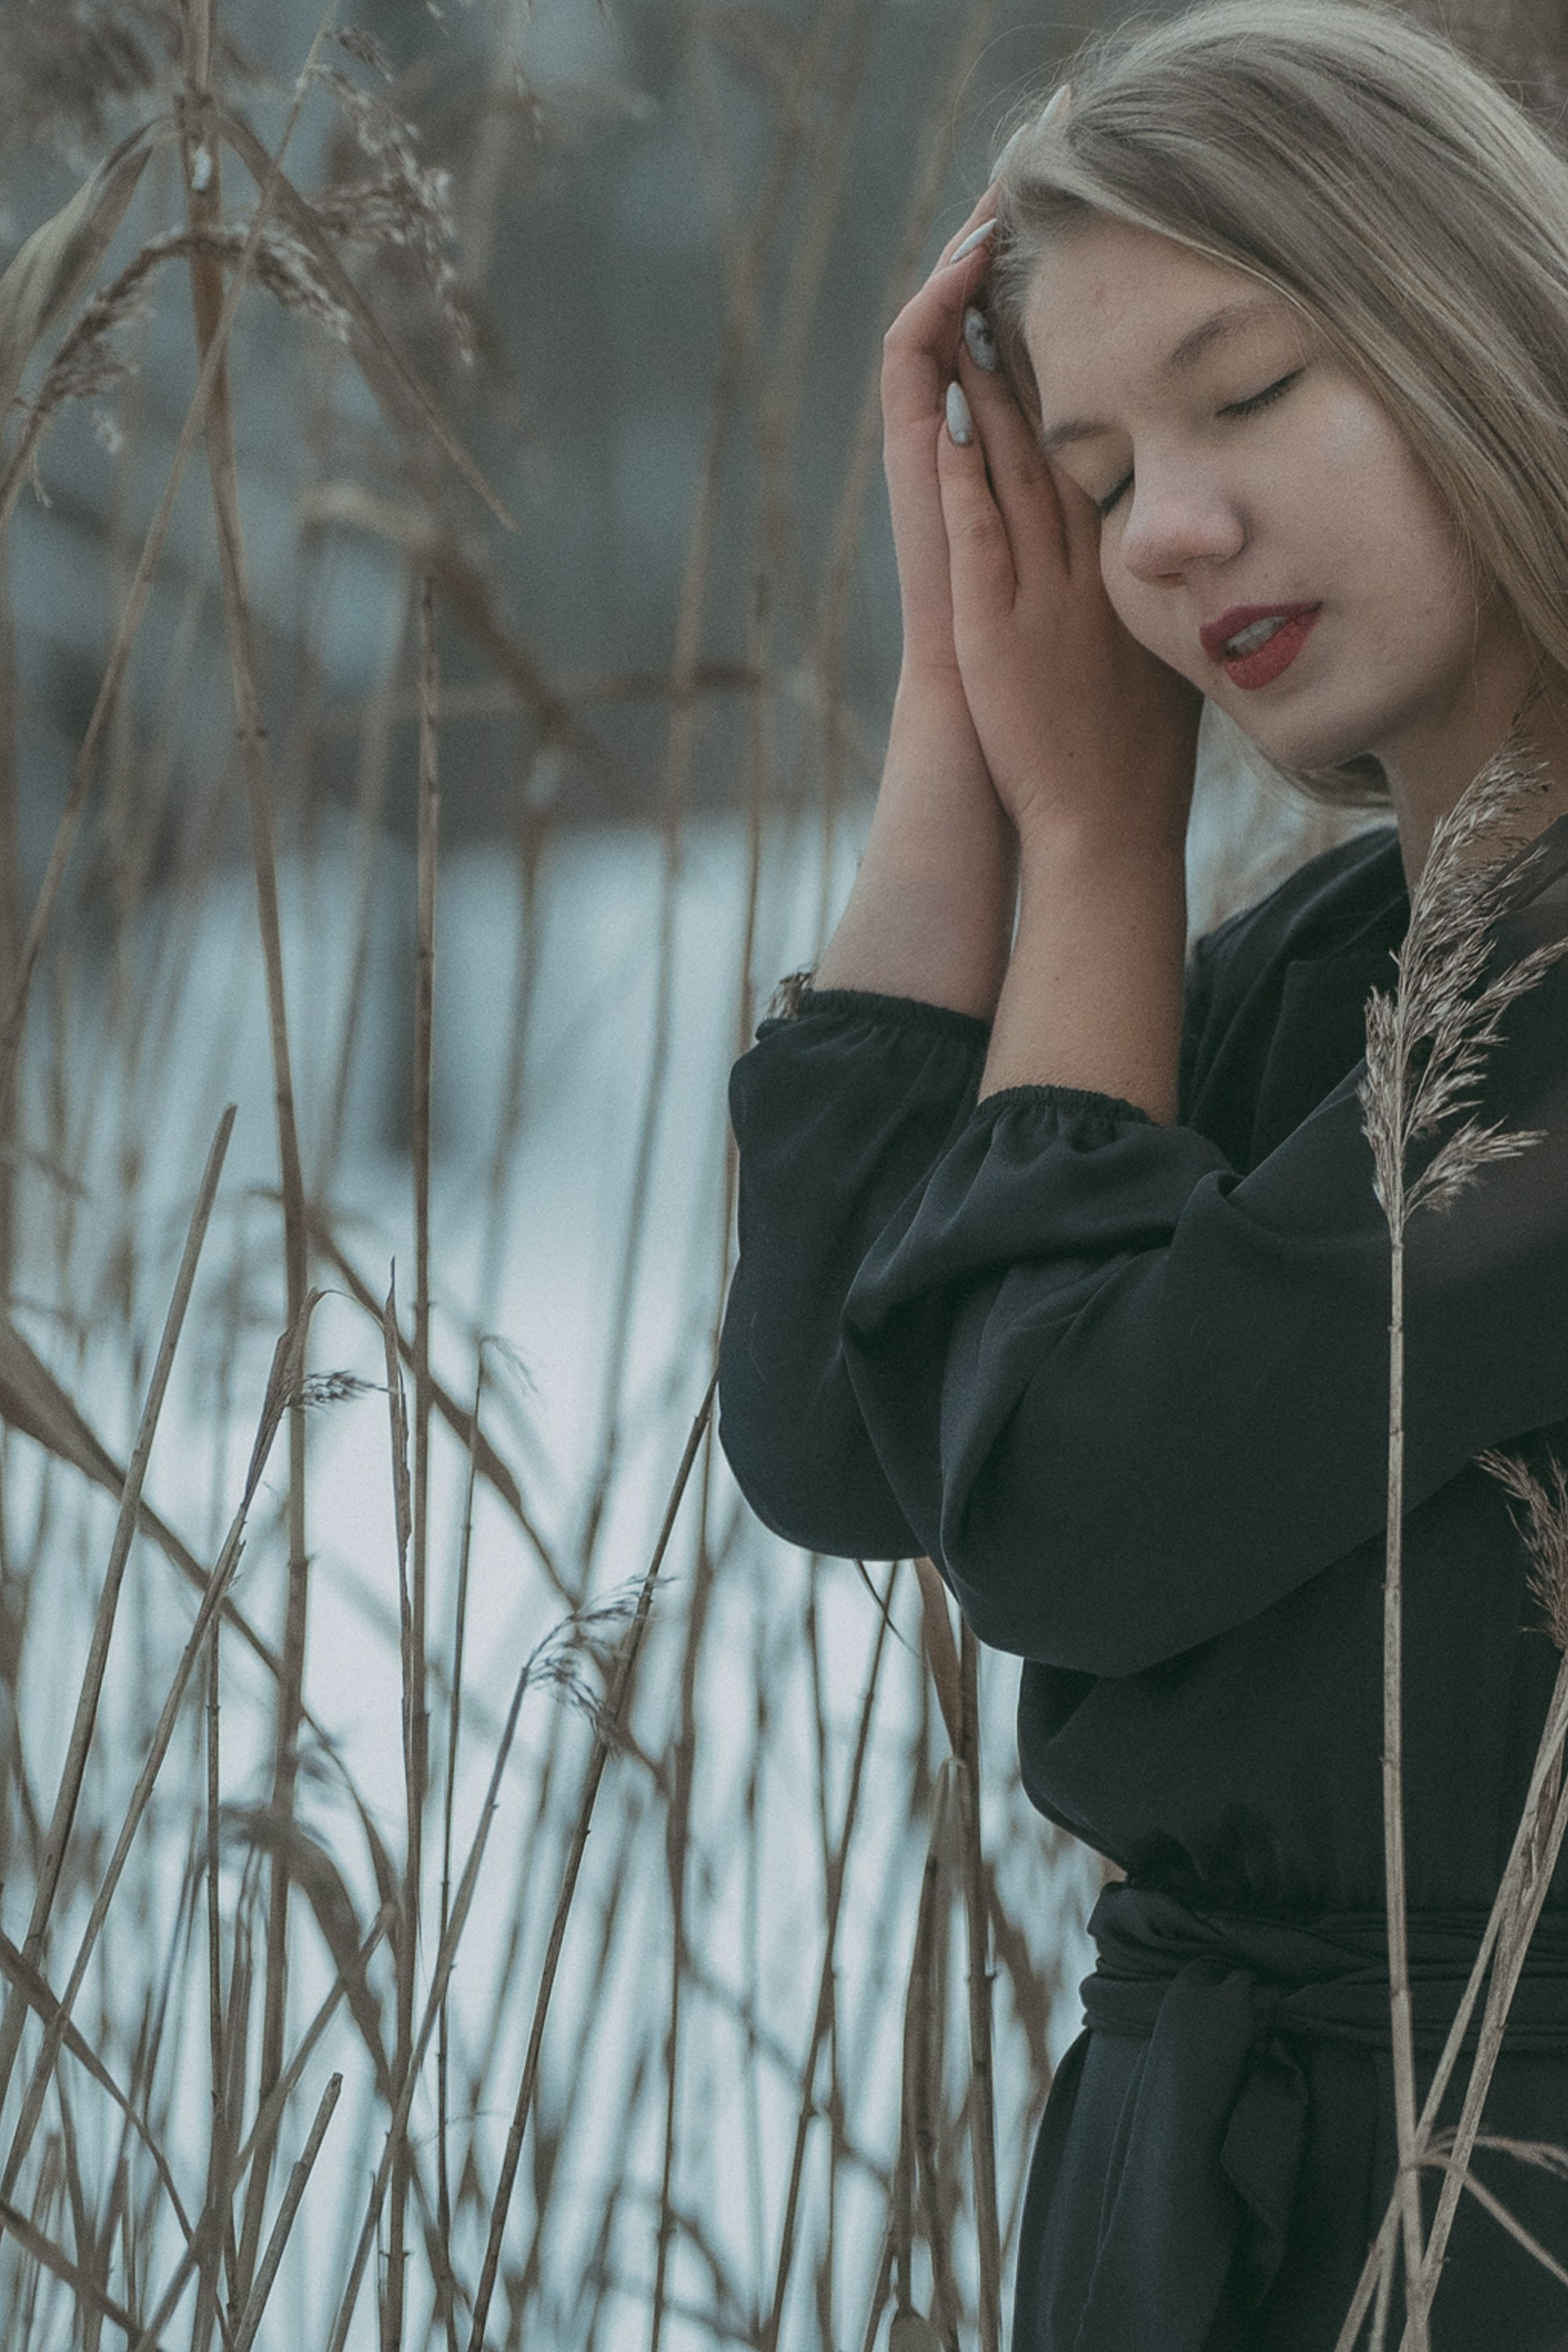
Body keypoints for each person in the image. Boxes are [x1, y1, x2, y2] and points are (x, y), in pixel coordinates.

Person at [715, 2, 1568, 2346]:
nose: (1168, 532)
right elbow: (830, 1413)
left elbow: (1069, 1505)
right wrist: (955, 740)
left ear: (1478, 318)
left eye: (1251, 389)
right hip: (1221, 2231)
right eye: (1092, 484)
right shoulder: (1349, 964)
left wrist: (1097, 848)